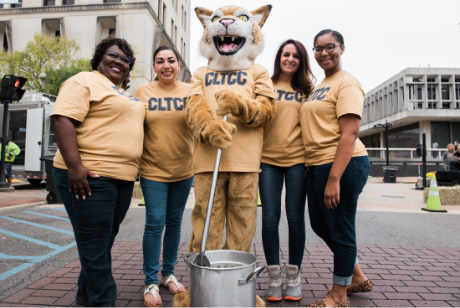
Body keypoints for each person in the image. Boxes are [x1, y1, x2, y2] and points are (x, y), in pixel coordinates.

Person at [51, 36, 144, 307]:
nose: (119, 61)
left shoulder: (123, 92)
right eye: (113, 55)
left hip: (122, 178)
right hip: (91, 175)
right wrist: (75, 166)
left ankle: (84, 296)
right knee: (94, 245)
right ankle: (104, 302)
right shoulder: (84, 80)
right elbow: (62, 118)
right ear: (100, 57)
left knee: (100, 244)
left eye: (125, 60)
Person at [300, 29, 371, 307]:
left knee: (340, 229)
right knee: (321, 225)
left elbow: (350, 134)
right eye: (318, 49)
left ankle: (339, 295)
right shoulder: (322, 84)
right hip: (317, 164)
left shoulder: (347, 83)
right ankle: (355, 277)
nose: (323, 53)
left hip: (343, 164)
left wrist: (334, 179)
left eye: (330, 47)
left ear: (342, 48)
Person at [134, 46, 193, 307]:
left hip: (184, 170)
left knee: (175, 222)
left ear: (178, 64)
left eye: (171, 60)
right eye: (160, 61)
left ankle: (168, 273)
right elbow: (133, 128)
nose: (166, 65)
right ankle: (150, 280)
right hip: (152, 169)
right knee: (155, 222)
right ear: (154, 66)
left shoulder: (191, 91)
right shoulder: (143, 92)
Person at [260, 39, 315, 302]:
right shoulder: (265, 85)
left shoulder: (307, 90)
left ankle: (293, 276)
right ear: (279, 57)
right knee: (270, 218)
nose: (290, 59)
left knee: (295, 218)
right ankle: (273, 276)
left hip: (297, 161)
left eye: (296, 56)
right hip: (267, 161)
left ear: (302, 61)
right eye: (286, 54)